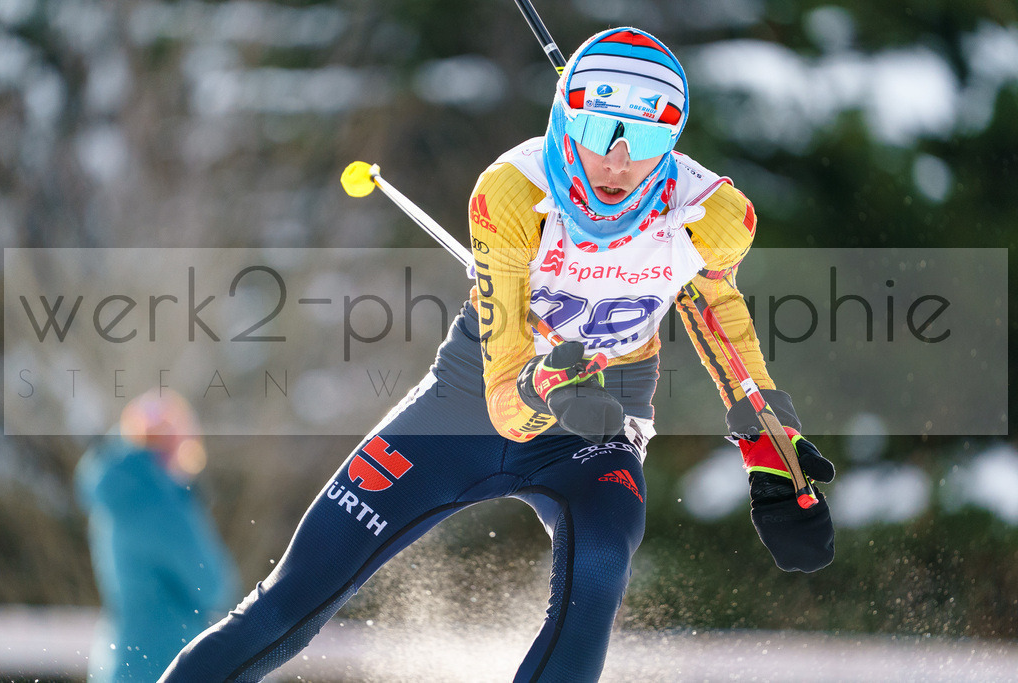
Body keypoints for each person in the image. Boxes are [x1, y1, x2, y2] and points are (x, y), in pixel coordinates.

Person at [160, 27, 834, 682]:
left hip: (597, 425)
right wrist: (549, 380)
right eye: (599, 132)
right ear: (566, 119)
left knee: (598, 571)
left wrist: (768, 443)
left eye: (647, 139)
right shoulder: (514, 191)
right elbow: (507, 400)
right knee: (289, 601)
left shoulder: (710, 214)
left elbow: (720, 321)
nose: (618, 162)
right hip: (465, 405)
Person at [75, 390, 239, 681]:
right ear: (175, 445)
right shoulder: (158, 503)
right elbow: (212, 584)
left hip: (119, 658)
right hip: (164, 661)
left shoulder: (118, 491)